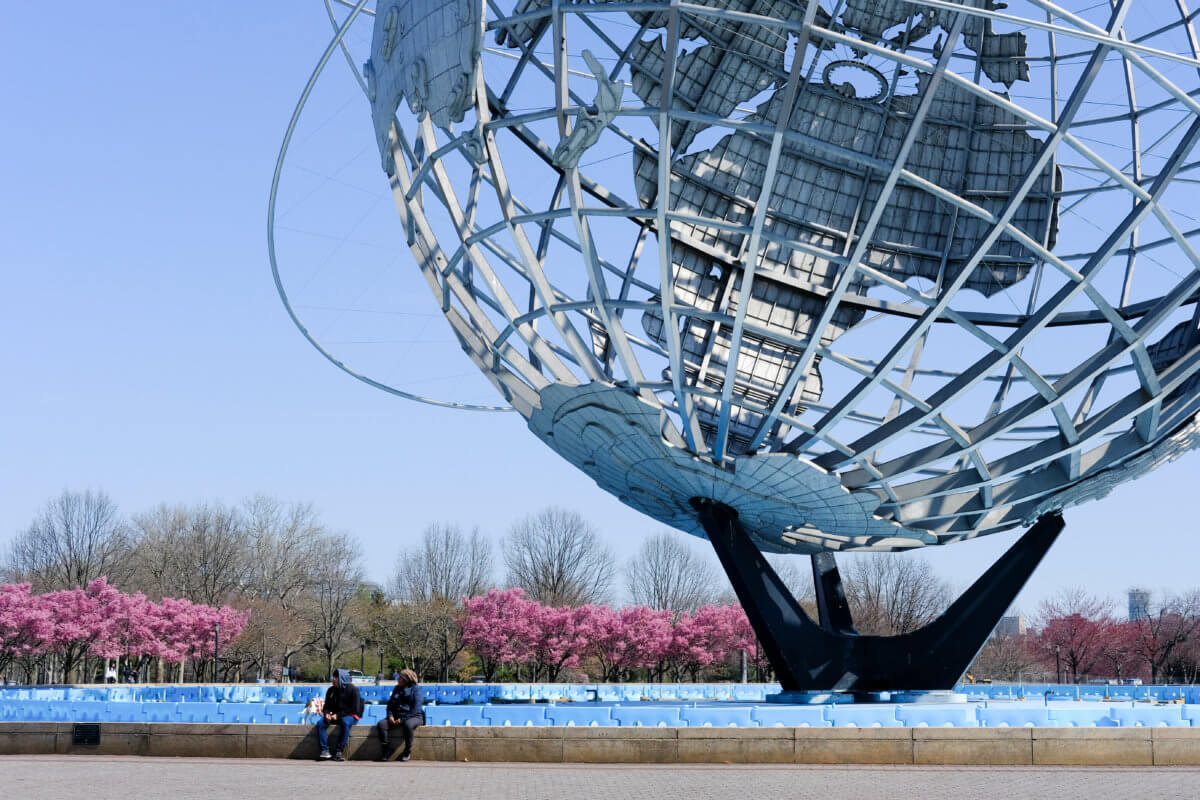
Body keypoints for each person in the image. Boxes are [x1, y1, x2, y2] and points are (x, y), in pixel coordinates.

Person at [375, 669, 424, 762]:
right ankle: (387, 749)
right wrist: (390, 716)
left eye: (400, 678)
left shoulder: (416, 689)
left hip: (414, 716)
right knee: (382, 724)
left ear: (406, 679)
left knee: (408, 725)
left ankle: (407, 751)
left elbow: (416, 708)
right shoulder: (397, 688)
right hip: (397, 716)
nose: (397, 679)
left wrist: (403, 719)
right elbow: (390, 705)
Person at [315, 669, 364, 761]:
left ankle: (339, 751)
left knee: (345, 722)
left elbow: (354, 709)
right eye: (333, 677)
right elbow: (326, 707)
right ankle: (325, 750)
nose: (333, 679)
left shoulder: (353, 689)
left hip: (351, 715)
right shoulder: (331, 690)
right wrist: (326, 714)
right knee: (321, 724)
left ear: (342, 678)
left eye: (336, 677)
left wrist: (338, 715)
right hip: (336, 715)